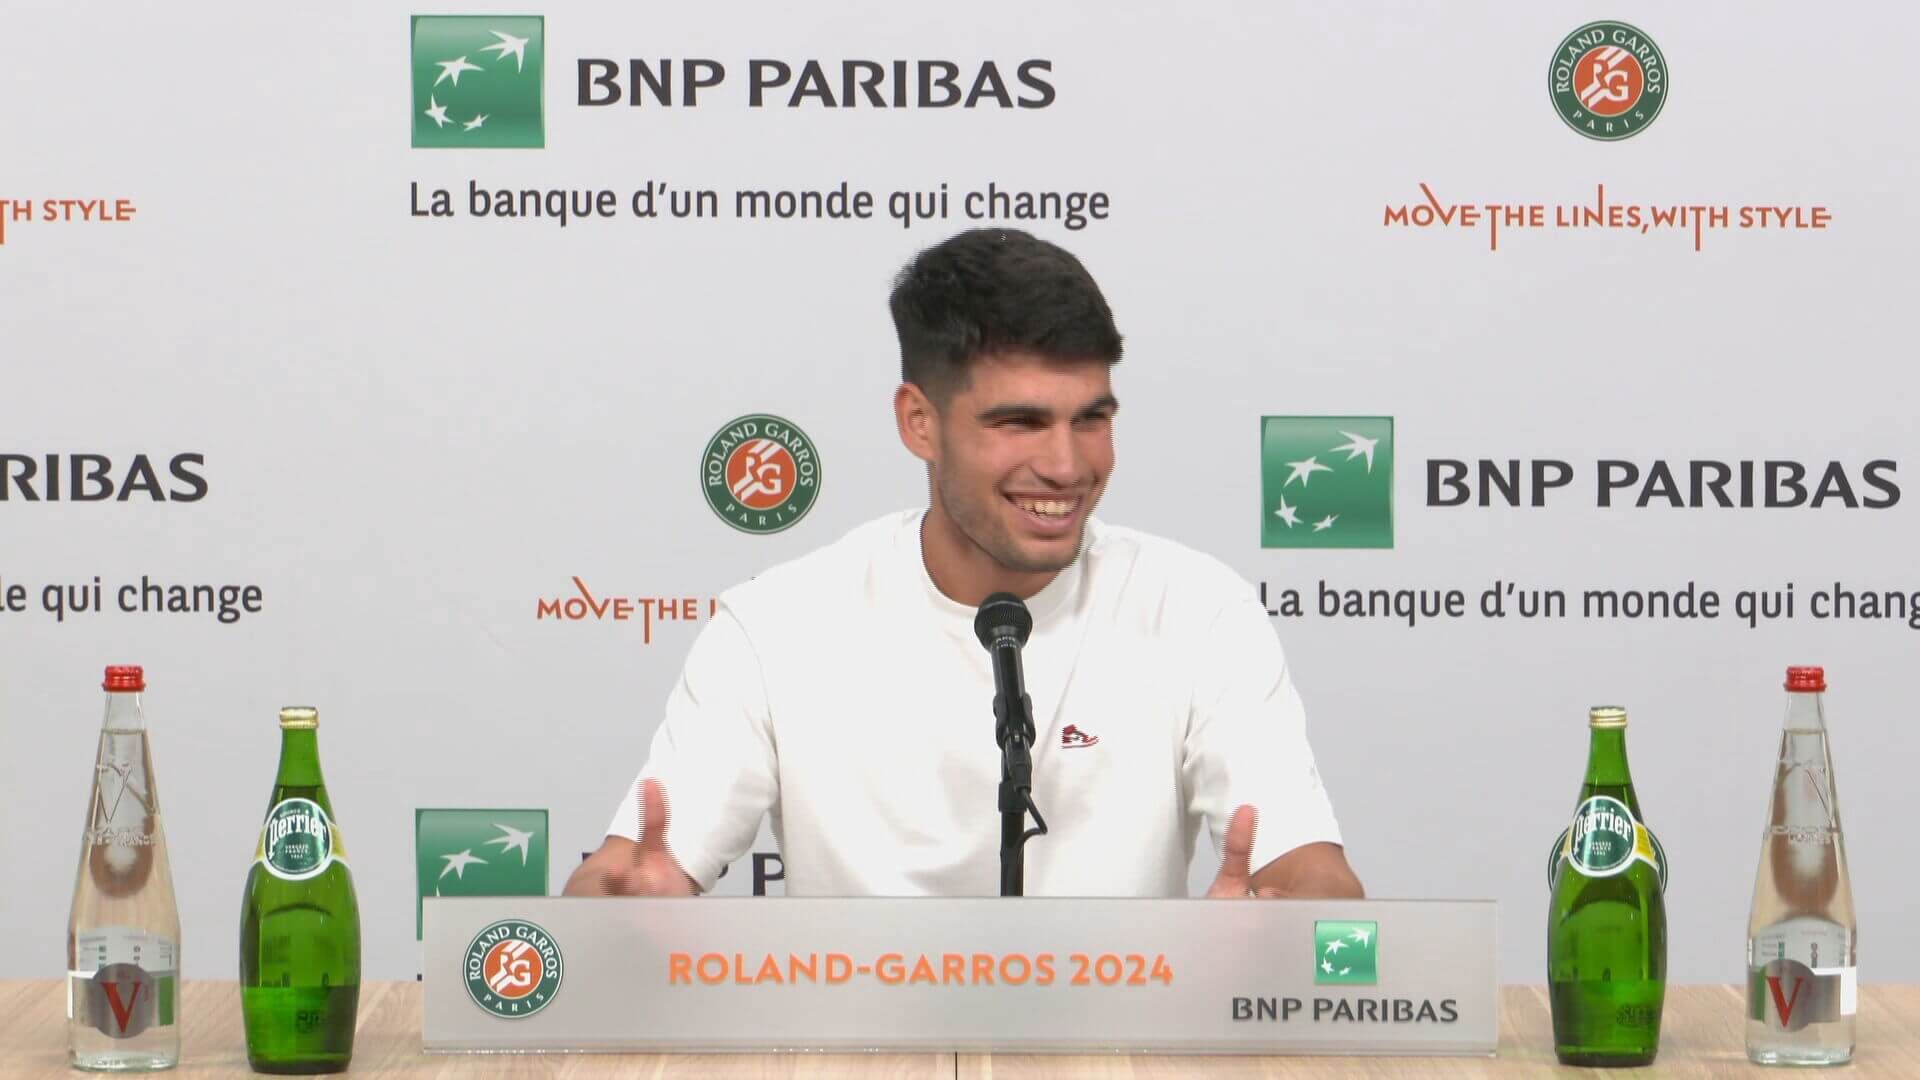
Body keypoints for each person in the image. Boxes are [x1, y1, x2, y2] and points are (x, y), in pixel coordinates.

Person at [566, 228, 1363, 900]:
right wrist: (621, 920)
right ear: (920, 422)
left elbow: (1310, 877)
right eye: (1019, 422)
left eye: (1091, 419)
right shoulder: (777, 626)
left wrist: (1285, 934)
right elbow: (629, 881)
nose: (1065, 465)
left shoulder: (1197, 611)